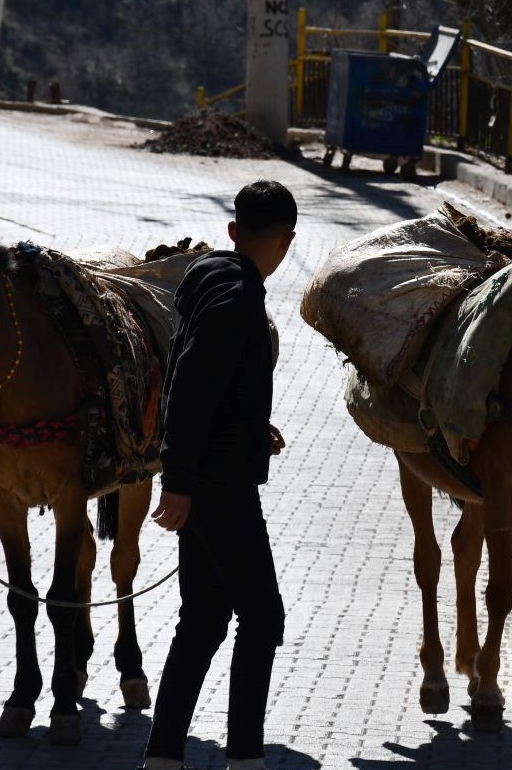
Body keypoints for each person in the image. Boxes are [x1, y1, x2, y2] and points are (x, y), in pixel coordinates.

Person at [139, 180, 297, 770]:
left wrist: (259, 427)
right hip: (218, 487)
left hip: (208, 475)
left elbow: (206, 385)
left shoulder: (209, 284)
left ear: (234, 232)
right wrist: (176, 483)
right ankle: (246, 758)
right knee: (263, 617)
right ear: (286, 241)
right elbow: (191, 393)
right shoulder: (237, 301)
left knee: (203, 618)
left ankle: (163, 756)